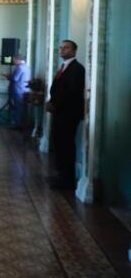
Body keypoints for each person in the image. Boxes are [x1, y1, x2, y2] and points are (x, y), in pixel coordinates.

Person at [47, 39, 85, 190]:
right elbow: (57, 89)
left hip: (68, 114)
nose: (62, 50)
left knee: (67, 145)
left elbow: (72, 92)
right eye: (61, 48)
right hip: (60, 112)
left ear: (74, 51)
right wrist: (52, 101)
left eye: (66, 48)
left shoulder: (77, 68)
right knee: (59, 143)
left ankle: (67, 180)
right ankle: (61, 175)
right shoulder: (63, 67)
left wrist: (55, 104)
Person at [6, 54, 31, 128]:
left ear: (18, 60)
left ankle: (17, 124)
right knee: (22, 108)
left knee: (18, 108)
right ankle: (21, 124)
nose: (13, 62)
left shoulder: (20, 68)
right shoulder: (27, 67)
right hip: (25, 90)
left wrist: (8, 76)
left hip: (18, 90)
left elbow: (15, 79)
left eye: (14, 60)